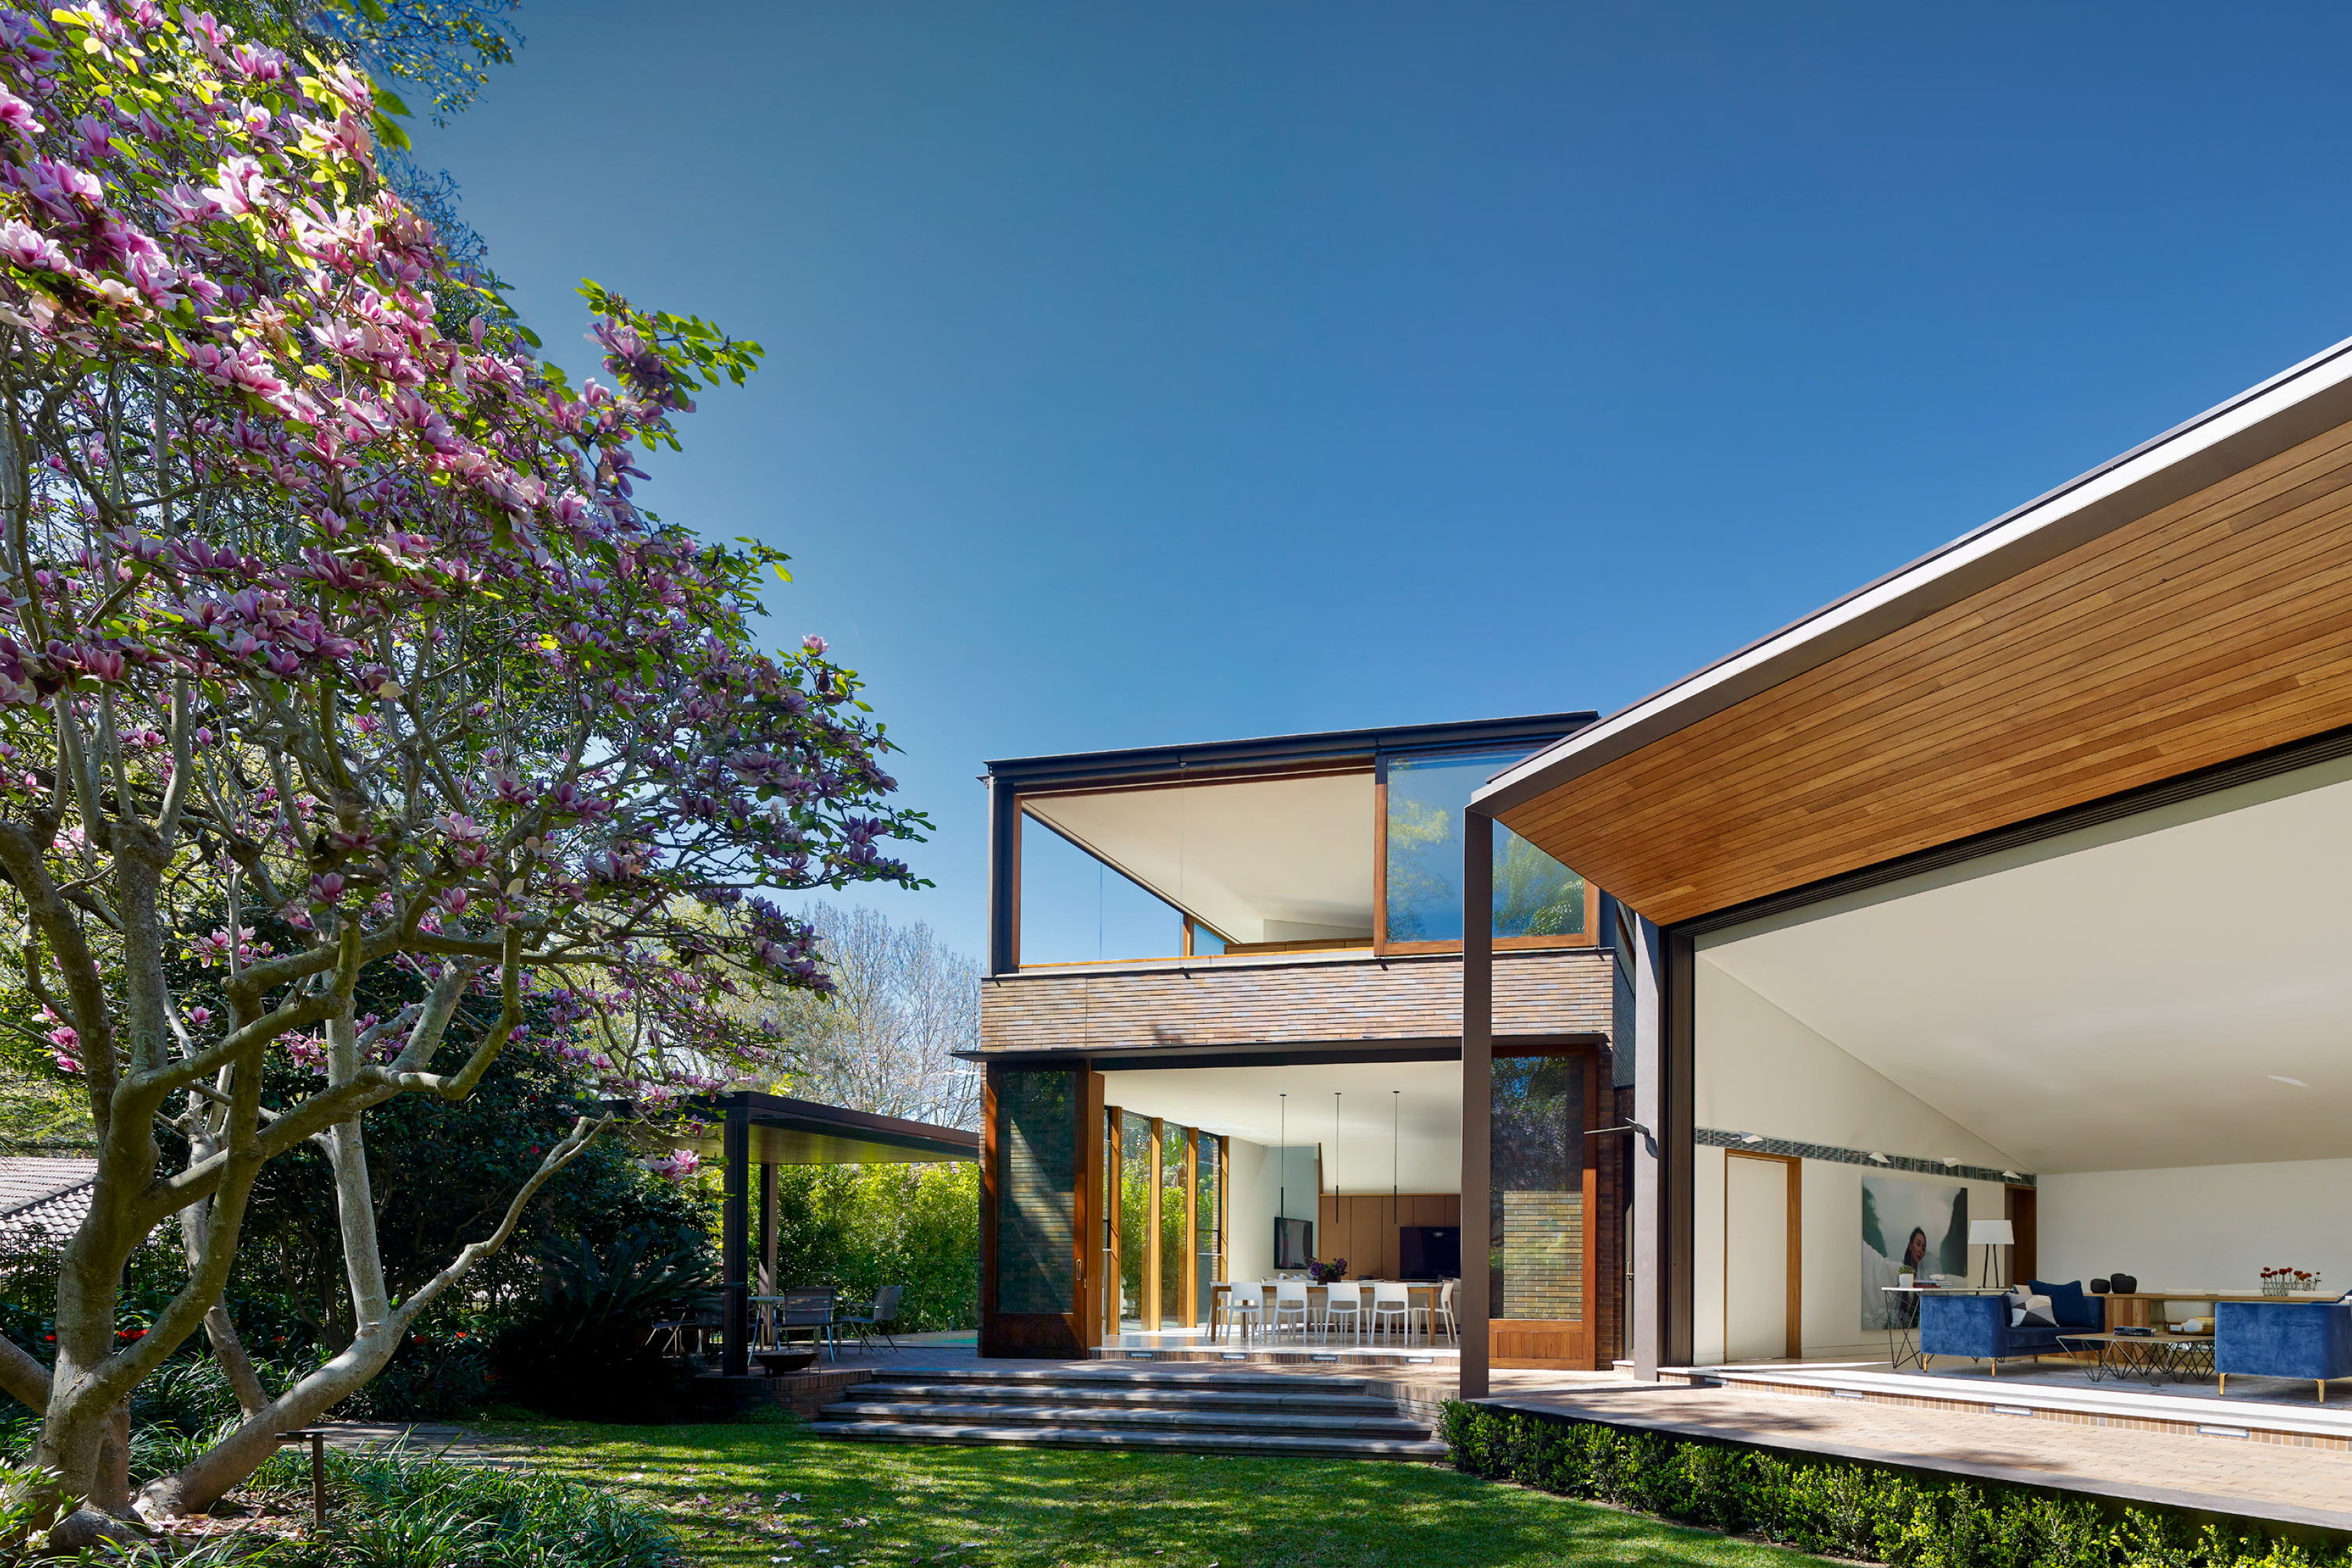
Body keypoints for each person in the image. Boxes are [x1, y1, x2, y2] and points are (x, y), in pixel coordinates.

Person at [1864, 1226, 1932, 1328]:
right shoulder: (1898, 1271)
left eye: (1923, 1248)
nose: (1920, 1251)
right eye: (1918, 1244)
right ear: (1910, 1245)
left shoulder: (1923, 1281)